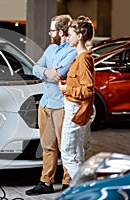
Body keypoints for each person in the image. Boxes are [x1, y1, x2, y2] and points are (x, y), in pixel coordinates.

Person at [25, 14, 77, 196]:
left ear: (61, 32)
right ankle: (46, 182)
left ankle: (68, 184)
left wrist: (45, 72)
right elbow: (34, 68)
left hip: (61, 106)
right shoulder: (50, 48)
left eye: (52, 30)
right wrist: (46, 70)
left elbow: (60, 74)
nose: (49, 33)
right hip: (45, 103)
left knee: (66, 147)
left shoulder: (72, 50)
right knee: (47, 146)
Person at [58, 16, 95, 179]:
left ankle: (83, 189)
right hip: (75, 109)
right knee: (77, 154)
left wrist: (67, 88)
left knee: (67, 154)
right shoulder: (82, 57)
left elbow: (87, 90)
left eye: (70, 34)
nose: (68, 37)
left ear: (79, 36)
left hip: (75, 109)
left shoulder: (83, 58)